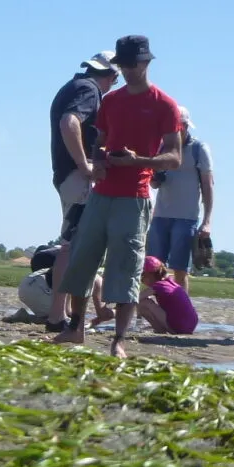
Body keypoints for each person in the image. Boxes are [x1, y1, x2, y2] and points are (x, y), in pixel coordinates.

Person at [53, 36, 182, 358]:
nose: (127, 71)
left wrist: (139, 161)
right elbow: (100, 140)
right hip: (102, 193)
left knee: (126, 270)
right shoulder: (110, 102)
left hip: (134, 196)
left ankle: (119, 341)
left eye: (132, 65)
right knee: (82, 262)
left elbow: (175, 157)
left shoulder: (164, 105)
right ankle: (76, 328)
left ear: (146, 63)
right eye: (122, 66)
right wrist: (96, 161)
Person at [46, 51, 117, 333]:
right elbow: (69, 122)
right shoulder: (89, 90)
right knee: (73, 246)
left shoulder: (72, 86)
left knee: (69, 244)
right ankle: (56, 316)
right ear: (111, 76)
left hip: (65, 174)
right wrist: (84, 164)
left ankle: (58, 313)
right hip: (76, 176)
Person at [146, 107, 215, 290]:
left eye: (175, 127)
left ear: (185, 126)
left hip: (187, 218)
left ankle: (179, 311)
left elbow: (208, 185)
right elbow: (154, 185)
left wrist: (207, 221)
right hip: (160, 216)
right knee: (153, 267)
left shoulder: (198, 149)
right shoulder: (162, 148)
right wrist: (155, 178)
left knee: (180, 270)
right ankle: (150, 309)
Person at [138, 255, 200, 335]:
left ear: (149, 275)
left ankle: (159, 330)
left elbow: (136, 298)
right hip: (190, 326)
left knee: (142, 303)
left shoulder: (158, 286)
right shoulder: (169, 282)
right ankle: (162, 328)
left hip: (179, 328)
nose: (141, 280)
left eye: (142, 276)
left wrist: (117, 310)